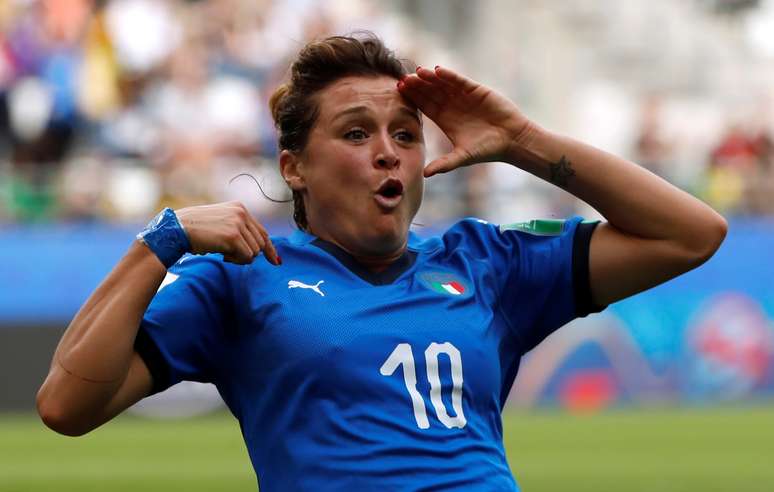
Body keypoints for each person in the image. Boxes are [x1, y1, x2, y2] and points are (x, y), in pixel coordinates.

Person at [36, 34, 727, 491]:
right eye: (356, 133)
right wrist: (161, 240)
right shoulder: (243, 276)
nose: (389, 151)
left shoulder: (486, 262)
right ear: (294, 167)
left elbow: (691, 234)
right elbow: (66, 405)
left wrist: (523, 140)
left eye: (405, 134)